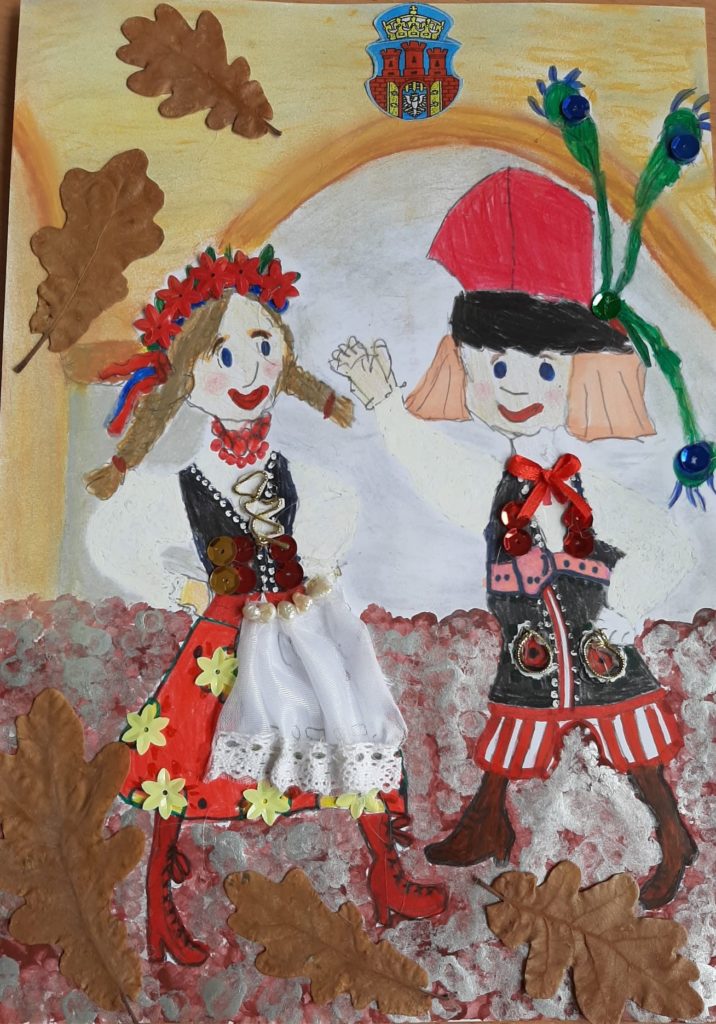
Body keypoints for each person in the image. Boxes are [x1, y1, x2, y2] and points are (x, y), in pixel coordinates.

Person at [331, 168, 697, 909]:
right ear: (467, 369)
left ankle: (672, 835)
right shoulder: (496, 481)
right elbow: (440, 475)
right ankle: (487, 822)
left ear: (573, 373)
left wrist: (626, 610)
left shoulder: (587, 482)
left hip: (600, 650)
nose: (516, 385)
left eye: (540, 367)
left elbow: (669, 547)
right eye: (496, 365)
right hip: (530, 651)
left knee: (634, 746)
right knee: (513, 728)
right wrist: (386, 406)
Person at [85, 245, 446, 966]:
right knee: (183, 753)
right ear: (186, 379)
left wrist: (310, 575)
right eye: (224, 355)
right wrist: (191, 590)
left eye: (262, 345)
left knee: (348, 722)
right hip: (225, 637)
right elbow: (113, 539)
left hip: (296, 623)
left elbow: (332, 528)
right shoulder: (190, 481)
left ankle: (386, 872)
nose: (250, 371)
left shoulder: (296, 472)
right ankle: (156, 900)